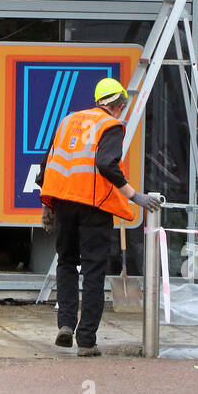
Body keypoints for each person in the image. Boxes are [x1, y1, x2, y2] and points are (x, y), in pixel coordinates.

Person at [39, 77, 160, 356]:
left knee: (66, 263)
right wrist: (133, 195)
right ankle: (86, 341)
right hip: (93, 205)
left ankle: (65, 324)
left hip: (64, 203)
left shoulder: (69, 120)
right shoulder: (111, 125)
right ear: (119, 105)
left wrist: (47, 203)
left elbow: (49, 162)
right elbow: (106, 163)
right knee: (93, 270)